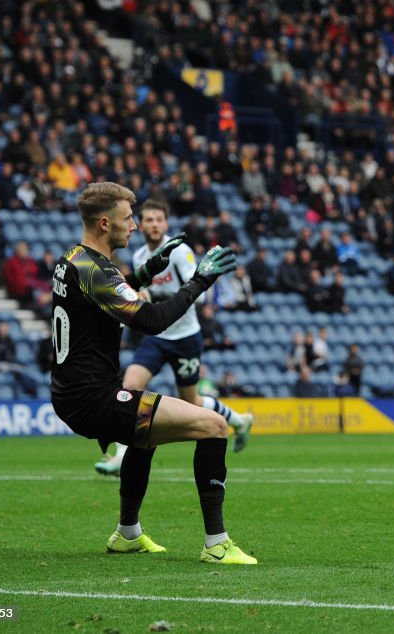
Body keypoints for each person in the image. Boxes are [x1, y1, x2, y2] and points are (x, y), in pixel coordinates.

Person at [50, 182, 255, 564]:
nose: (135, 226)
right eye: (129, 218)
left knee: (145, 436)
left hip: (74, 392)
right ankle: (217, 544)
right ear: (104, 223)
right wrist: (200, 280)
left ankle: (128, 533)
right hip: (93, 398)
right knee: (213, 426)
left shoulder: (72, 260)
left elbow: (105, 298)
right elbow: (154, 319)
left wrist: (146, 272)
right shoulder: (96, 270)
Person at [94, 199, 254, 480]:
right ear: (140, 224)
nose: (154, 224)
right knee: (129, 387)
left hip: (185, 338)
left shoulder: (180, 252)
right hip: (156, 337)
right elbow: (139, 291)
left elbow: (199, 295)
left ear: (166, 224)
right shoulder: (140, 255)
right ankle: (120, 456)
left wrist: (152, 298)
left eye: (159, 219)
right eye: (149, 220)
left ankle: (239, 420)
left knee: (190, 400)